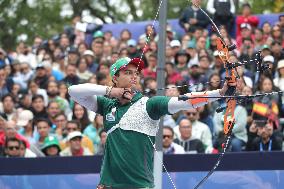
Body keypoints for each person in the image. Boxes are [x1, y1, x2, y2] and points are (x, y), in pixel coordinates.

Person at [68, 56, 229, 189]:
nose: (134, 76)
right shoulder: (106, 105)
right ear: (115, 78)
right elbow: (73, 91)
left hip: (140, 186)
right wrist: (110, 91)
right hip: (108, 185)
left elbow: (184, 101)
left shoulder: (149, 104)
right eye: (128, 72)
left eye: (136, 73)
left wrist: (219, 93)